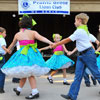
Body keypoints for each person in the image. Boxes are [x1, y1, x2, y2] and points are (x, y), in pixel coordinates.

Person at [1, 14, 53, 99]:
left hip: (23, 54)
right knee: (26, 72)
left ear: (21, 24)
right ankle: (19, 89)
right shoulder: (33, 32)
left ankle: (35, 92)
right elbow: (41, 38)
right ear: (30, 24)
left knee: (29, 73)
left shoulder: (18, 34)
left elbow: (12, 45)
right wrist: (51, 42)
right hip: (32, 54)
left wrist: (7, 50)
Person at [51, 13, 100, 100]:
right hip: (81, 55)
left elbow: (67, 40)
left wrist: (56, 45)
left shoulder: (80, 31)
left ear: (79, 20)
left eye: (75, 20)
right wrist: (96, 41)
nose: (74, 23)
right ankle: (72, 95)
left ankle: (72, 95)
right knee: (78, 76)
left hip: (88, 54)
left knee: (96, 74)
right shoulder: (84, 29)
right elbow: (90, 36)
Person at [0, 27, 9, 93]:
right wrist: (7, 50)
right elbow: (3, 46)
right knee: (2, 73)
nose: (5, 35)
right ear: (1, 33)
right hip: (1, 57)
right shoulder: (1, 39)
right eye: (4, 33)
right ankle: (1, 88)